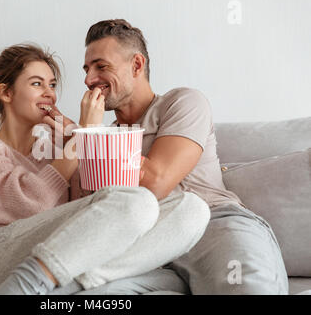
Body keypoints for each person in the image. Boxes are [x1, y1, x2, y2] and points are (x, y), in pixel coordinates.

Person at [0, 43, 210, 295]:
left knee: (192, 209)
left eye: (52, 85)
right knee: (137, 200)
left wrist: (76, 141)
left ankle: (64, 284)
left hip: (54, 253)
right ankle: (35, 283)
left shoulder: (60, 146)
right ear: (6, 92)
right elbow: (27, 204)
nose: (49, 94)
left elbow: (94, 213)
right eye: (37, 83)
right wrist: (85, 134)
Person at [48, 19, 288, 295]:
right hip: (148, 249)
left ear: (137, 65)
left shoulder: (182, 103)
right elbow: (89, 213)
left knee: (245, 289)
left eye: (101, 66)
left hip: (212, 226)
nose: (89, 79)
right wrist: (80, 140)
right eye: (87, 69)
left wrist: (90, 134)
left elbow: (155, 183)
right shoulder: (97, 137)